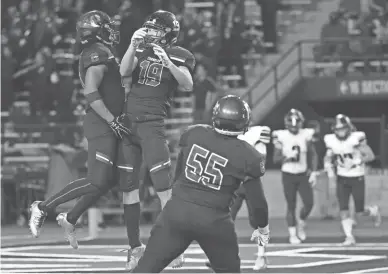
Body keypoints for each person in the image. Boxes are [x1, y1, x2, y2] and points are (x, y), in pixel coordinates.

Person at [28, 10, 135, 250]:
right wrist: (111, 120)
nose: (111, 30)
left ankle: (70, 218)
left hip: (109, 121)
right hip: (102, 123)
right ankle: (43, 207)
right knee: (97, 180)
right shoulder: (96, 53)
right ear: (97, 30)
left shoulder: (103, 51)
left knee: (107, 181)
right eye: (107, 26)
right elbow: (91, 93)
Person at [131, 95, 270, 273]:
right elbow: (257, 202)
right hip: (214, 220)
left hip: (177, 213)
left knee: (145, 269)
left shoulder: (194, 133)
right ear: (243, 122)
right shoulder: (249, 155)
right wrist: (262, 227)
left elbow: (179, 172)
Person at [119, 10, 195, 269]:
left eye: (155, 30)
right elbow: (123, 70)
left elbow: (187, 84)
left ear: (169, 34)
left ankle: (173, 246)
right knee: (129, 188)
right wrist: (131, 44)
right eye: (148, 28)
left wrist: (168, 63)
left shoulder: (179, 54)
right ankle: (134, 247)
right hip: (129, 126)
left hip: (152, 125)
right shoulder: (139, 49)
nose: (150, 33)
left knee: (164, 187)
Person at [324, 114, 381, 246]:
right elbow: (328, 156)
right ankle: (349, 237)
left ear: (348, 128)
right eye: (338, 129)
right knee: (343, 208)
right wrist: (328, 165)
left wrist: (357, 161)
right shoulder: (331, 140)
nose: (341, 132)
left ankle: (373, 211)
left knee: (359, 212)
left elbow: (370, 156)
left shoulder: (356, 138)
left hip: (357, 176)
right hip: (341, 177)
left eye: (343, 128)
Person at [272, 109, 319, 244]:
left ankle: (302, 222)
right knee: (291, 205)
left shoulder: (306, 134)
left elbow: (313, 154)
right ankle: (292, 234)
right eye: (291, 124)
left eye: (296, 123)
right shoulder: (281, 135)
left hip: (303, 174)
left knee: (309, 203)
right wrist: (287, 156)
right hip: (288, 174)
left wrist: (314, 171)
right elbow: (275, 159)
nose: (294, 126)